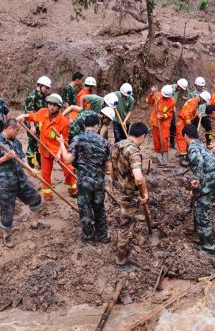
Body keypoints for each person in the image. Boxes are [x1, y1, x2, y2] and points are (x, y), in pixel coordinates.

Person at [0, 118, 49, 247]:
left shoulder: (16, 142)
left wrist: (30, 169)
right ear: (9, 128)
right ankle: (6, 235)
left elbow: (22, 157)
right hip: (6, 182)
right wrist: (4, 158)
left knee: (35, 198)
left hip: (21, 179)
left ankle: (34, 223)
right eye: (17, 130)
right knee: (7, 209)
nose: (18, 133)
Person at [57, 114, 110, 243]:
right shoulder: (104, 142)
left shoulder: (78, 139)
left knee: (85, 209)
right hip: (99, 181)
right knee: (99, 208)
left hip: (84, 182)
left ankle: (89, 238)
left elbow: (68, 159)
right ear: (96, 126)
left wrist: (61, 144)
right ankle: (103, 236)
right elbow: (108, 167)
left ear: (84, 126)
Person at [16, 94, 77, 199]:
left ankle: (73, 189)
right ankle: (47, 194)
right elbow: (32, 116)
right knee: (45, 173)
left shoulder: (63, 121)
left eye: (54, 105)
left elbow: (65, 140)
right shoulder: (42, 112)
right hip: (44, 149)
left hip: (58, 149)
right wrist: (23, 116)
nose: (51, 107)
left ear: (59, 107)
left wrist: (59, 153)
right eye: (50, 104)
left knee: (69, 169)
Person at [110, 122, 149, 265]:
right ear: (143, 136)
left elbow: (111, 169)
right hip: (128, 194)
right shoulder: (134, 151)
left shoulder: (116, 145)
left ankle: (128, 237)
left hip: (118, 189)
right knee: (125, 225)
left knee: (127, 217)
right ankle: (121, 258)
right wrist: (144, 193)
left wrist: (116, 182)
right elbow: (139, 177)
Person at [183, 124, 215, 255]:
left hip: (208, 184)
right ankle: (201, 236)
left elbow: (198, 162)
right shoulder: (202, 145)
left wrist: (197, 179)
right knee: (199, 209)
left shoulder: (193, 147)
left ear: (185, 136)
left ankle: (208, 247)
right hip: (214, 181)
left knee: (201, 214)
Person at [176, 90, 211, 165]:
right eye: (204, 101)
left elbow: (191, 111)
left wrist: (197, 114)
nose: (204, 103)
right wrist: (189, 125)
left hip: (185, 119)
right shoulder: (193, 102)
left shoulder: (195, 101)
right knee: (181, 137)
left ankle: (186, 154)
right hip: (182, 120)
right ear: (202, 99)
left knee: (186, 137)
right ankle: (182, 157)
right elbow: (186, 114)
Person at [24, 76, 52, 168]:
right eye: (46, 88)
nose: (47, 90)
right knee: (32, 143)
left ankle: (40, 163)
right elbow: (29, 112)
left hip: (40, 124)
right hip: (32, 123)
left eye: (48, 88)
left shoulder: (44, 96)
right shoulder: (32, 96)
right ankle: (31, 165)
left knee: (40, 143)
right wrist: (32, 127)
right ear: (40, 85)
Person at [146, 85, 175, 166]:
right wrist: (152, 93)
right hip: (155, 122)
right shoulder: (157, 95)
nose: (164, 97)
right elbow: (149, 102)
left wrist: (162, 116)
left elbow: (170, 114)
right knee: (156, 139)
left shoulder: (172, 102)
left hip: (164, 124)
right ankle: (158, 154)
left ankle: (165, 155)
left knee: (164, 139)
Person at [188, 77, 214, 148]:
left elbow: (208, 102)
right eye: (199, 86)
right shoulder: (192, 92)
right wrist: (195, 113)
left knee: (209, 128)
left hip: (204, 114)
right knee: (194, 130)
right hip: (196, 115)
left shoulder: (205, 91)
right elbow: (189, 104)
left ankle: (209, 143)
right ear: (196, 85)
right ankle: (194, 144)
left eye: (202, 86)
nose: (200, 87)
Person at [169, 78, 189, 149]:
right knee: (164, 127)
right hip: (165, 110)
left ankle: (172, 143)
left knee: (173, 127)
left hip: (172, 110)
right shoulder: (170, 89)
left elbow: (177, 98)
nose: (181, 90)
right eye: (181, 88)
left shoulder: (177, 91)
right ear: (178, 85)